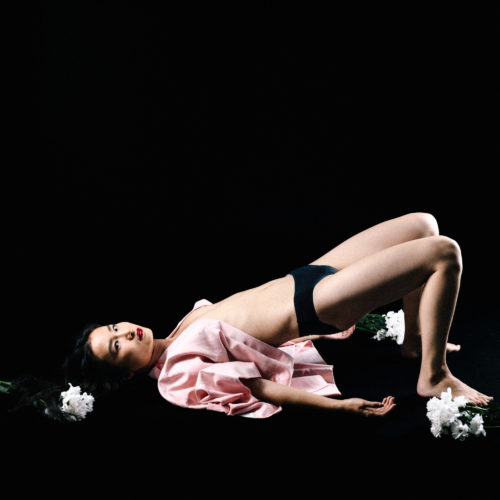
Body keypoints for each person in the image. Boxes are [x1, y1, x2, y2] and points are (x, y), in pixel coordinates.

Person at [8, 212, 493, 421]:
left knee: (423, 224)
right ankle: (433, 375)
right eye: (117, 346)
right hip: (315, 304)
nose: (125, 333)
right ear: (127, 373)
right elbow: (256, 386)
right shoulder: (176, 372)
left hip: (307, 274)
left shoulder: (176, 330)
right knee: (443, 252)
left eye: (115, 328)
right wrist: (338, 407)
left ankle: (414, 342)